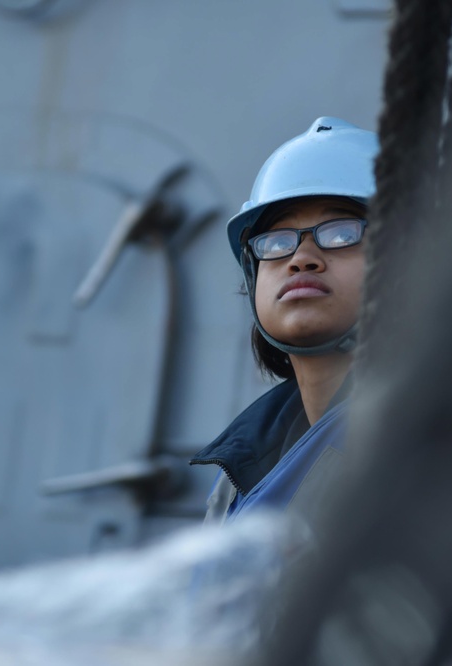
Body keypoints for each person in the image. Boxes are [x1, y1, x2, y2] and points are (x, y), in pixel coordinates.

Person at [190, 117, 378, 524]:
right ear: (252, 275)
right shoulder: (239, 475)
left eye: (342, 233)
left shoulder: (431, 439)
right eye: (276, 241)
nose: (301, 258)